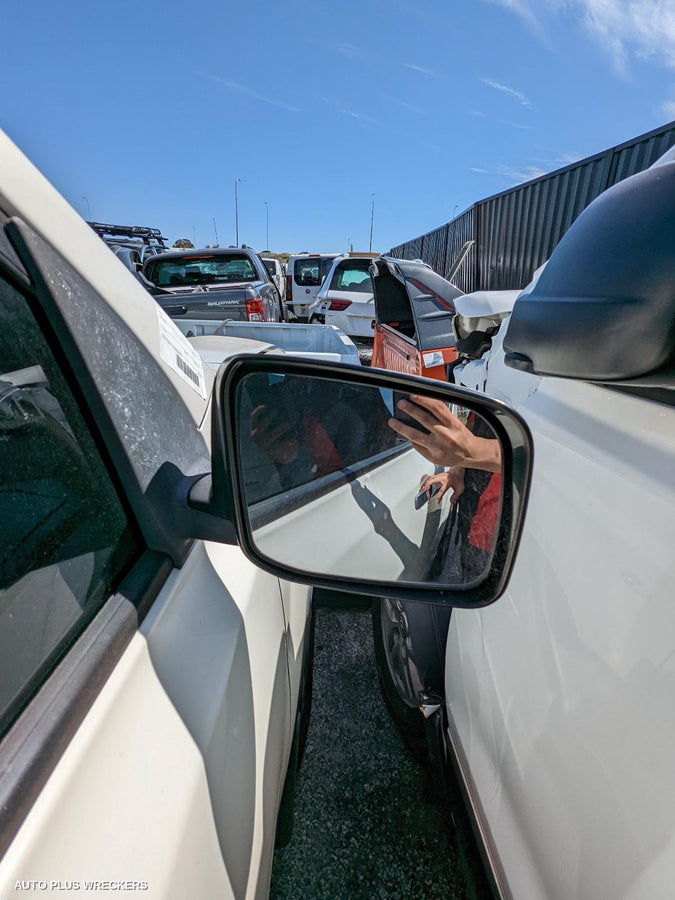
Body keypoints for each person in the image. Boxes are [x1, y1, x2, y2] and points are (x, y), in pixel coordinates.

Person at [388, 395, 502, 581]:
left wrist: (471, 451)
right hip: (473, 516)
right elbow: (477, 426)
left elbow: (540, 452)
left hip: (504, 532)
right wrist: (457, 470)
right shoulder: (491, 371)